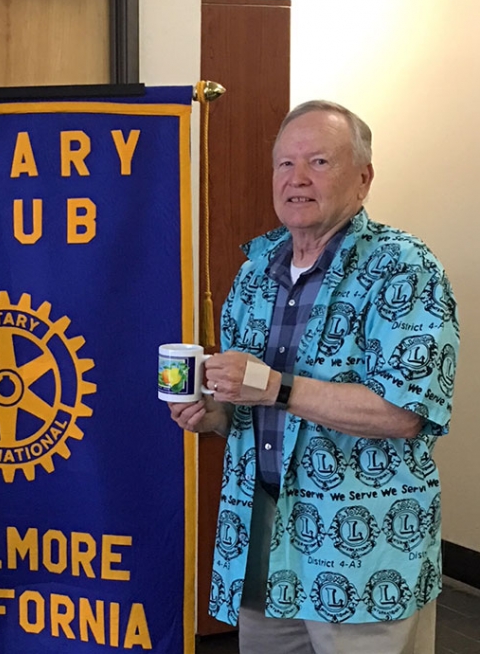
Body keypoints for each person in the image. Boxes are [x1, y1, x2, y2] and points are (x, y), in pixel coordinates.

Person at [170, 100, 458, 653]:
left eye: (320, 162)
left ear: (363, 178)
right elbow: (250, 410)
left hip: (364, 557)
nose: (297, 179)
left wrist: (277, 387)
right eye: (284, 164)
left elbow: (406, 413)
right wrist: (214, 414)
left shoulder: (406, 268)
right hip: (261, 540)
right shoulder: (256, 270)